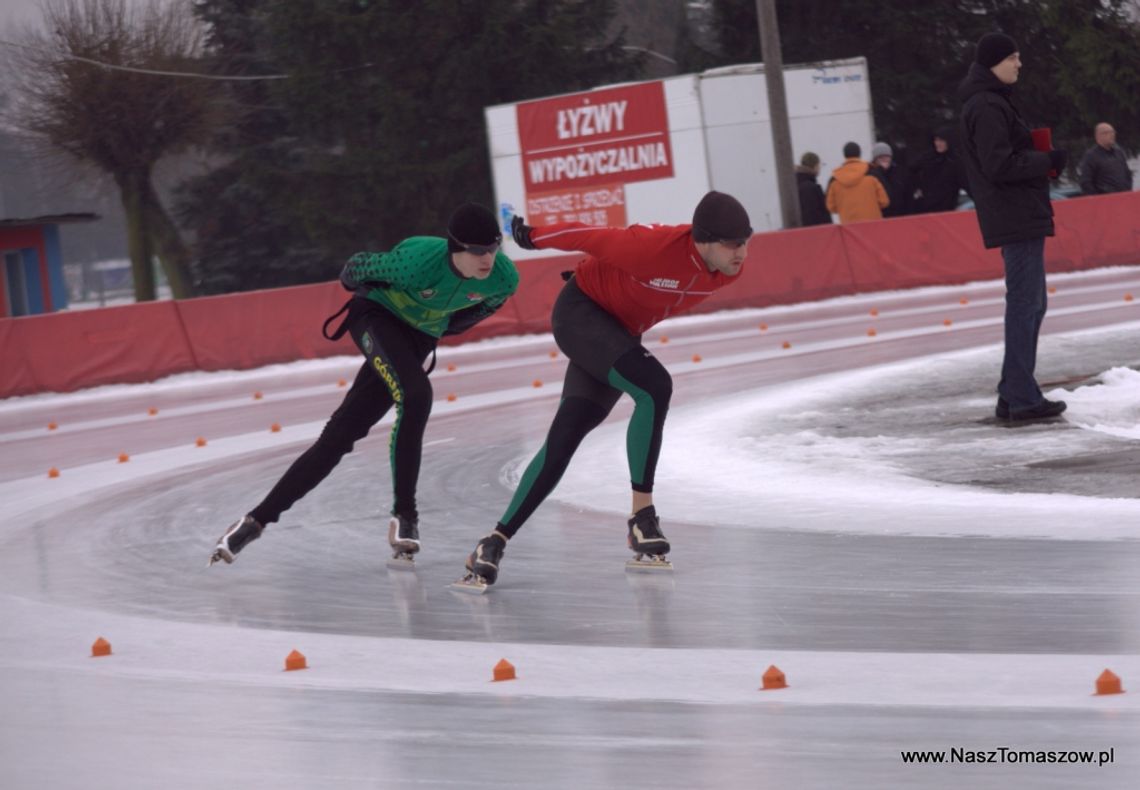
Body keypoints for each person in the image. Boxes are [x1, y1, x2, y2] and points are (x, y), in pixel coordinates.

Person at [459, 191, 753, 587]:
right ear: (703, 239)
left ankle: (492, 542)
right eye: (733, 244)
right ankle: (642, 518)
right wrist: (533, 236)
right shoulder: (652, 248)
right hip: (581, 313)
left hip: (615, 335)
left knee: (566, 435)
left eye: (746, 241)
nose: (742, 252)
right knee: (655, 386)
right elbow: (590, 235)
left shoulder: (729, 270)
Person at [208, 203, 519, 566]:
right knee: (416, 395)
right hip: (377, 317)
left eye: (494, 247)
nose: (488, 258)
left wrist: (430, 328)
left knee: (340, 435)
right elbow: (353, 270)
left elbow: (468, 318)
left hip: (417, 337)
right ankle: (406, 515)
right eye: (478, 251)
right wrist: (372, 295)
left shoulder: (504, 278)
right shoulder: (417, 262)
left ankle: (254, 521)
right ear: (455, 248)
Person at [958, 32, 1067, 422]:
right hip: (1014, 215)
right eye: (1014, 58)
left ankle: (1013, 391)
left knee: (1033, 304)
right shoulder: (986, 105)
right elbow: (999, 165)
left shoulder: (993, 102)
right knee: (1025, 305)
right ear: (994, 63)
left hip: (1019, 212)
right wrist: (1046, 159)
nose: (1019, 64)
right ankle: (1021, 397)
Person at [825, 141, 889, 223]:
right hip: (873, 226)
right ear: (859, 154)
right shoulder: (871, 173)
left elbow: (831, 207)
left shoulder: (835, 180)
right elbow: (884, 201)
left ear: (844, 155)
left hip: (849, 229)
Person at [910, 126, 969, 214]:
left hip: (947, 209)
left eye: (941, 140)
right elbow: (910, 172)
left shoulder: (956, 161)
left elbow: (966, 183)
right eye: (936, 140)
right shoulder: (927, 157)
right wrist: (917, 188)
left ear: (949, 141)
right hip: (925, 208)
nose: (938, 143)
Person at [1078, 122, 1134, 195]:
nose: (1112, 135)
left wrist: (1128, 191)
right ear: (1098, 136)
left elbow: (1127, 175)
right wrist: (1098, 200)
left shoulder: (1119, 153)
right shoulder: (1091, 156)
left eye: (1113, 132)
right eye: (1107, 132)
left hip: (1124, 198)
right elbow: (1085, 182)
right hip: (1105, 202)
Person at [867, 142, 909, 217]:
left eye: (887, 156)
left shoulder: (898, 173)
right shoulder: (871, 176)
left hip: (900, 216)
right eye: (880, 157)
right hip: (881, 218)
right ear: (875, 160)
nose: (884, 159)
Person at [796, 152, 833, 226]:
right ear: (815, 166)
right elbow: (823, 214)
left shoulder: (793, 185)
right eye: (819, 165)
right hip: (816, 231)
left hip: (799, 231)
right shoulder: (814, 188)